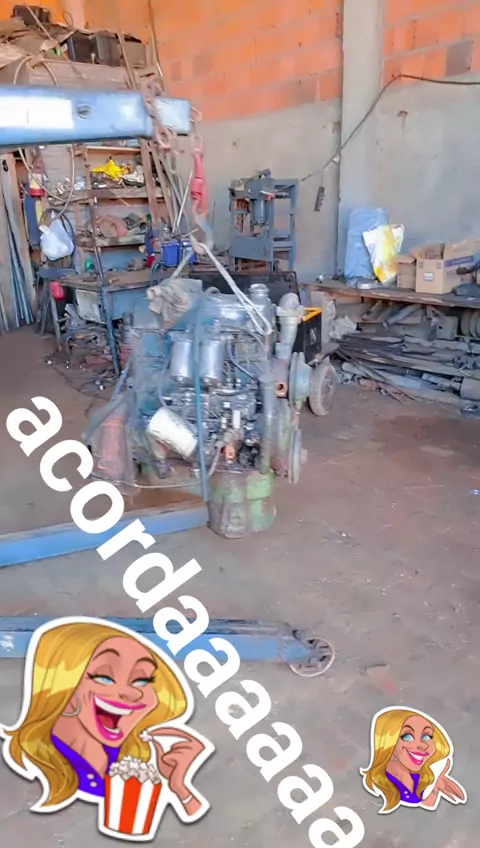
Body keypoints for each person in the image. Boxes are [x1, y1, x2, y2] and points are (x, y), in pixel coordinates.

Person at [0, 618, 212, 817]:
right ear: (60, 686)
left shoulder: (136, 761)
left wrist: (179, 788)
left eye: (142, 680)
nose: (132, 693)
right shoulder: (29, 767)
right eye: (104, 677)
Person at [361, 707, 467, 814]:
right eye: (407, 736)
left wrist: (435, 786)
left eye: (426, 736)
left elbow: (426, 805)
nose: (423, 745)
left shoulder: (421, 777)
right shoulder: (379, 782)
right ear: (388, 742)